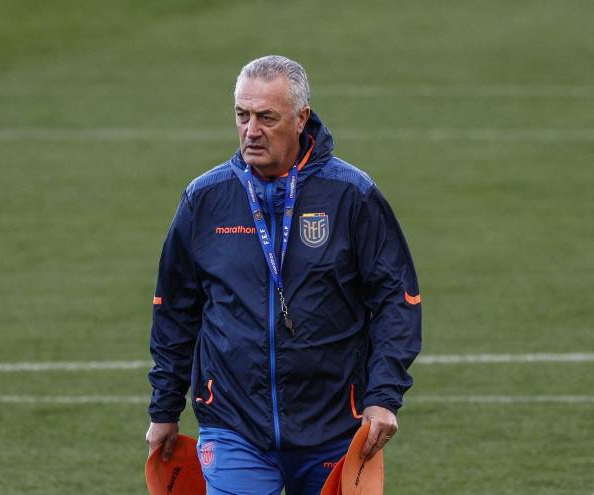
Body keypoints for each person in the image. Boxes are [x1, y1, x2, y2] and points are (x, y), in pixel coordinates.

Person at [146, 55, 422, 495]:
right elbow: (174, 310)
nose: (251, 130)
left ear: (300, 119)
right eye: (242, 115)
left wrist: (383, 397)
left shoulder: (351, 195)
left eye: (266, 117)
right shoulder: (205, 199)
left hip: (333, 424)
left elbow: (396, 300)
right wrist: (164, 409)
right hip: (233, 423)